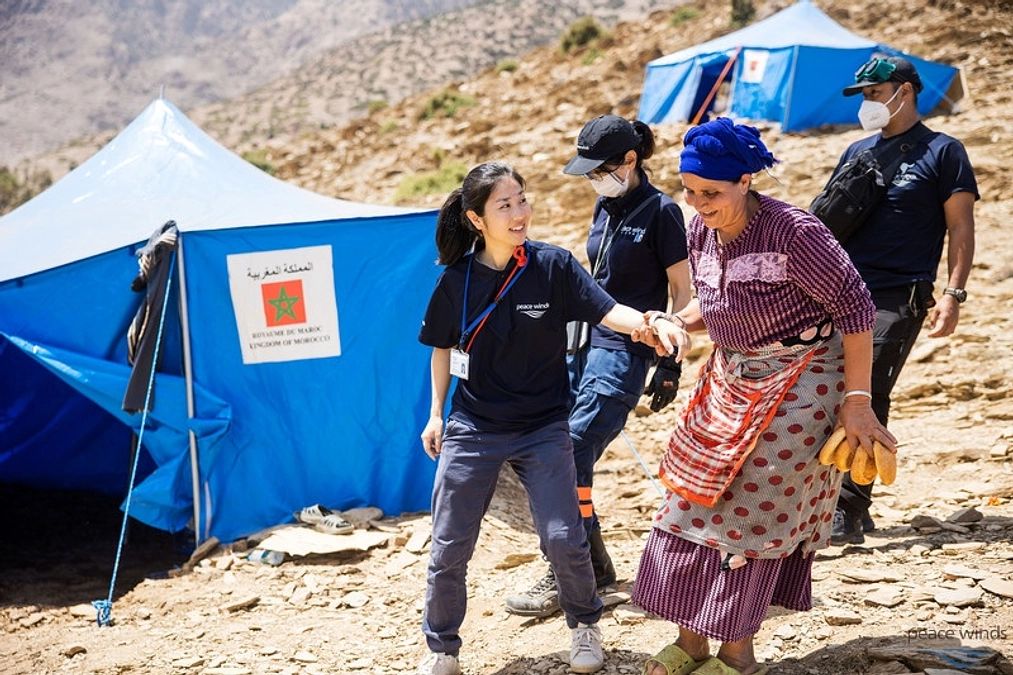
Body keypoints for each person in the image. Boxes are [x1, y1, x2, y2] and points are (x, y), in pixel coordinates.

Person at [630, 118, 896, 675]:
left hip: (803, 379)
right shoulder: (700, 231)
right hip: (732, 378)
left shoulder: (794, 232)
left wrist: (857, 401)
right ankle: (691, 643)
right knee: (691, 500)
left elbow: (857, 309)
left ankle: (737, 653)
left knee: (752, 510)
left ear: (745, 181)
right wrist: (675, 321)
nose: (699, 203)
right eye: (689, 191)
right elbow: (715, 302)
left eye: (711, 193)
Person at [415, 162, 689, 675]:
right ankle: (442, 649)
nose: (520, 212)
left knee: (564, 536)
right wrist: (435, 415)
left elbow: (609, 311)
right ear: (476, 219)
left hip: (543, 427)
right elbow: (442, 350)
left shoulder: (554, 266)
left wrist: (653, 322)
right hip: (474, 428)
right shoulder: (455, 281)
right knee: (450, 545)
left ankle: (584, 624)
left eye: (522, 199)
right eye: (505, 205)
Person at [505, 114, 692, 618]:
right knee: (553, 448)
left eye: (599, 169)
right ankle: (590, 563)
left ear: (630, 160)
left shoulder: (663, 212)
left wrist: (671, 362)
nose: (593, 178)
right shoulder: (604, 204)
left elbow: (682, 290)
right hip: (581, 342)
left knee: (570, 449)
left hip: (627, 349)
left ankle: (569, 569)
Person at [823, 55, 977, 545]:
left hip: (899, 295)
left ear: (904, 91)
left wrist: (953, 293)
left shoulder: (944, 151)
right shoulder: (856, 151)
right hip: (842, 293)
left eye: (874, 93)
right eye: (864, 95)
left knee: (867, 392)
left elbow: (961, 227)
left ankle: (849, 508)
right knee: (830, 392)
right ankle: (833, 500)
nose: (867, 103)